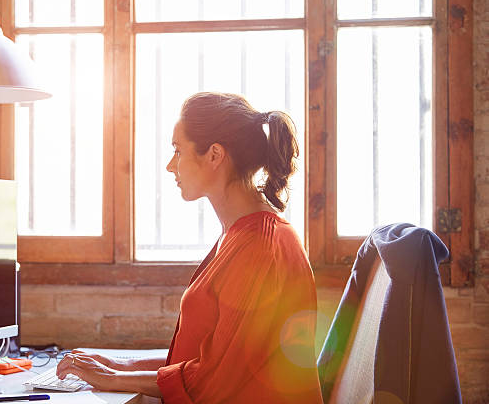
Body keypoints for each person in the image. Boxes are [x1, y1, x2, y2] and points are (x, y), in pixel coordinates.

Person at [56, 92, 323, 403]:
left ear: (214, 155)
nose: (171, 166)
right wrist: (118, 364)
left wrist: (113, 379)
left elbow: (211, 380)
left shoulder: (260, 246)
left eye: (178, 150)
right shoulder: (238, 235)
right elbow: (200, 358)